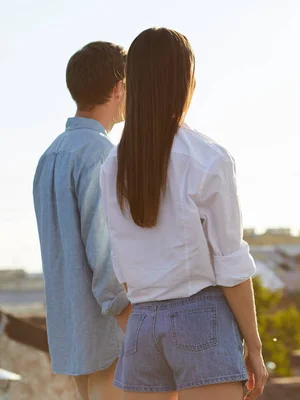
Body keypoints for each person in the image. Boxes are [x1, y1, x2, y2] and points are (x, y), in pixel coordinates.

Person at [99, 28, 269, 400]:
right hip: (201, 319)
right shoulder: (208, 157)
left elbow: (123, 268)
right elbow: (231, 263)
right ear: (186, 81)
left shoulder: (112, 165)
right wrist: (254, 348)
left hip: (141, 324)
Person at [32, 42, 132, 400]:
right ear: (120, 86)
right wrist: (129, 318)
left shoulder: (49, 155)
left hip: (70, 330)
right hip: (107, 331)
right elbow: (103, 249)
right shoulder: (100, 153)